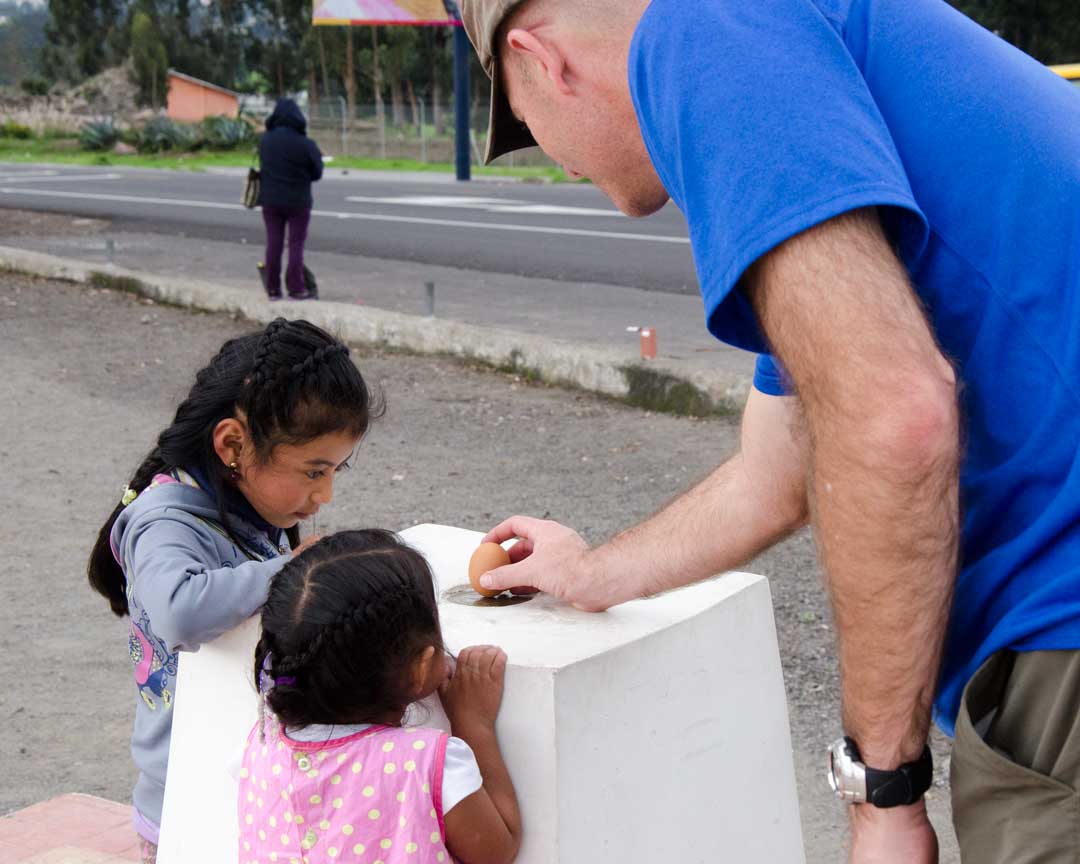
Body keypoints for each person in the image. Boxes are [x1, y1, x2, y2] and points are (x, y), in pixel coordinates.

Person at [458, 0, 1080, 861]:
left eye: (523, 122)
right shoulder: (791, 57)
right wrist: (592, 574)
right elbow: (778, 469)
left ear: (540, 59)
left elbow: (892, 419)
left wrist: (883, 793)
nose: (555, 161)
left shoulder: (704, 31)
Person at [87, 317, 379, 863]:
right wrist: (293, 568)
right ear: (232, 445)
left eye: (337, 469)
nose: (327, 494)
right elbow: (180, 611)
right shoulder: (163, 522)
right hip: (189, 804)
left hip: (247, 783)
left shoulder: (247, 505)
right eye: (315, 471)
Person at [242, 529, 521, 864]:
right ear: (420, 669)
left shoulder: (262, 744)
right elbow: (497, 851)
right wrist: (473, 723)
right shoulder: (425, 763)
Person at [259, 98, 324, 301]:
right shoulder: (306, 144)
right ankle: (296, 288)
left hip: (270, 201)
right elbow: (317, 173)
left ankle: (273, 289)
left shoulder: (265, 141)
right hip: (298, 201)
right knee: (295, 245)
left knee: (273, 244)